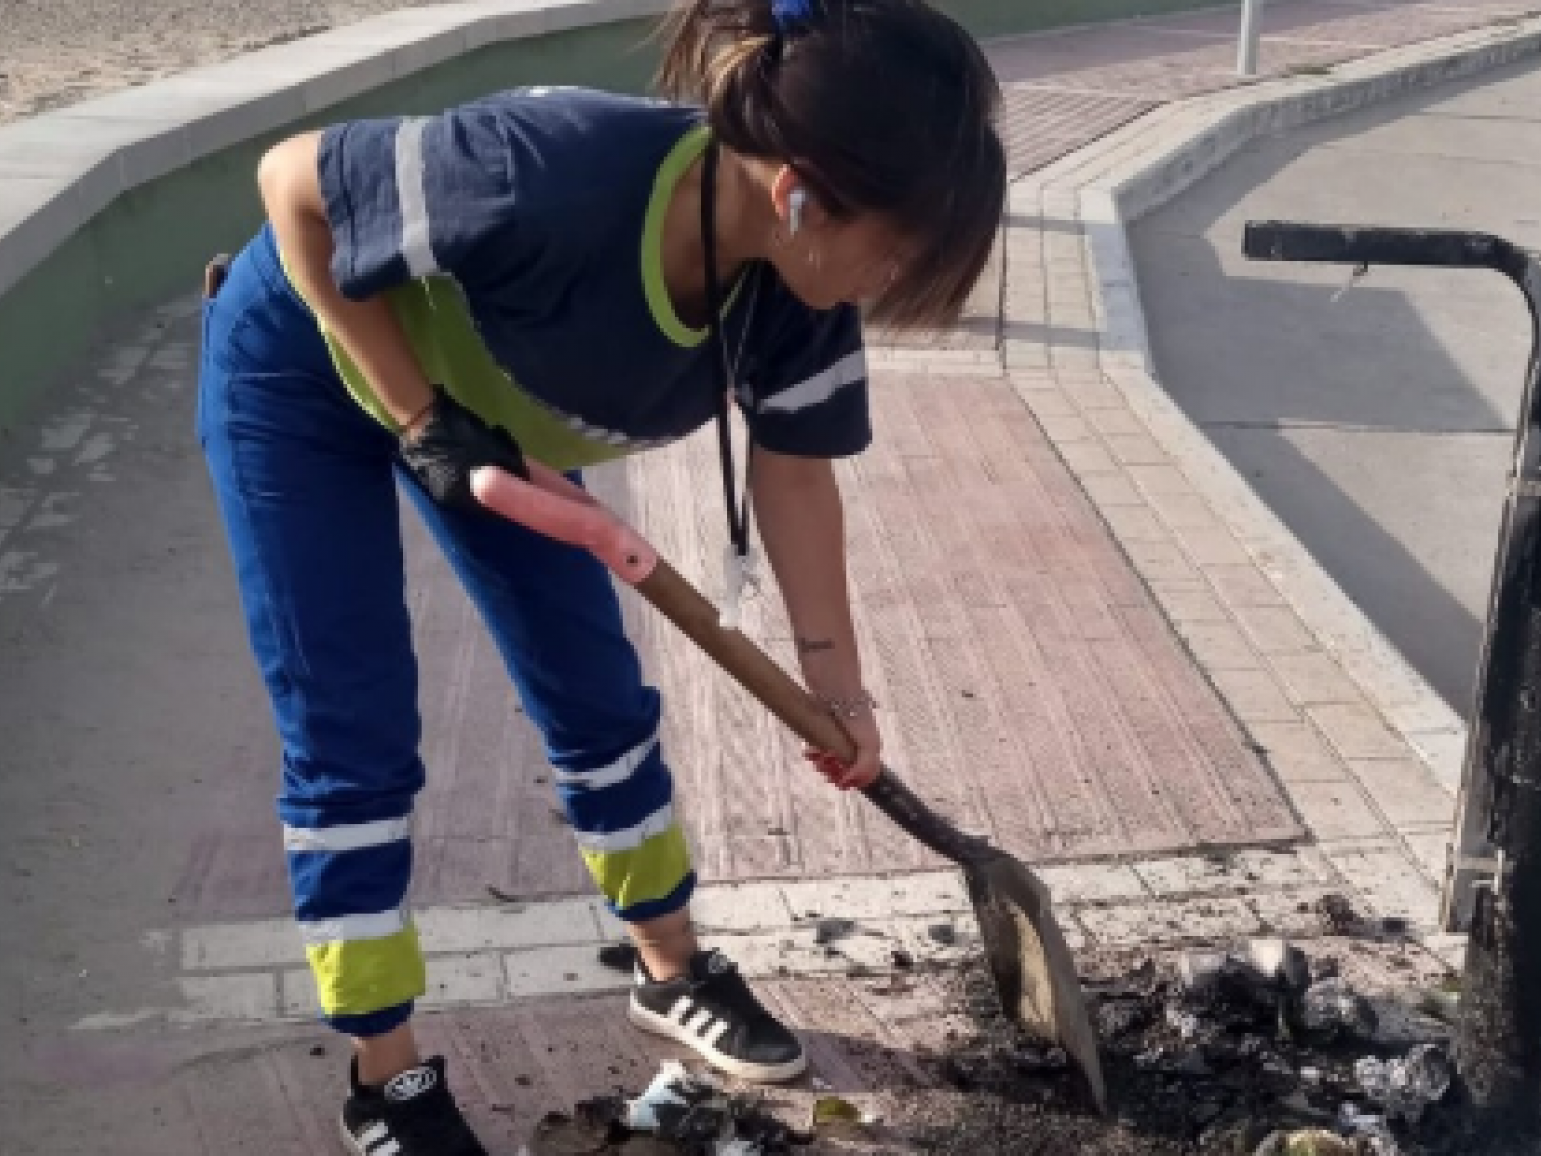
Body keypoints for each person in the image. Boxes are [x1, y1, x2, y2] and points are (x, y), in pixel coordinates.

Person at [194, 0, 1005, 1149]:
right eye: (897, 254)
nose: (891, 283)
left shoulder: (797, 293)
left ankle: (671, 972)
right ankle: (389, 1076)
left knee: (596, 697)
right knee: (353, 728)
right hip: (307, 362)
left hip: (496, 428)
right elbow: (294, 186)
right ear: (800, 194)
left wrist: (843, 689)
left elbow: (797, 477)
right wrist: (422, 420)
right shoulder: (551, 172)